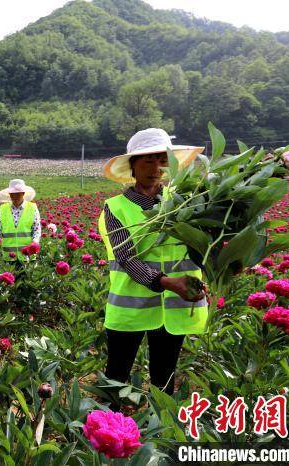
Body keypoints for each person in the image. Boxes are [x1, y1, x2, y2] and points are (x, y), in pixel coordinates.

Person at [98, 128, 208, 399]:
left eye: (161, 160)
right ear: (132, 167)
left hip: (175, 309)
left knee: (165, 377)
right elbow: (126, 258)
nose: (156, 167)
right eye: (147, 160)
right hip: (130, 309)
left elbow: (202, 245)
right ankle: (107, 435)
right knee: (116, 376)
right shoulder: (115, 207)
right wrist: (168, 282)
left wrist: (222, 263)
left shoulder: (187, 202)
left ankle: (161, 436)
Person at [0, 179, 41, 261]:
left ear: (23, 193)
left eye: (18, 194)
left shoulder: (32, 208)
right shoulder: (2, 209)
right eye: (12, 194)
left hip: (28, 255)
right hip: (9, 256)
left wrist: (35, 243)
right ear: (9, 194)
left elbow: (36, 229)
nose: (14, 197)